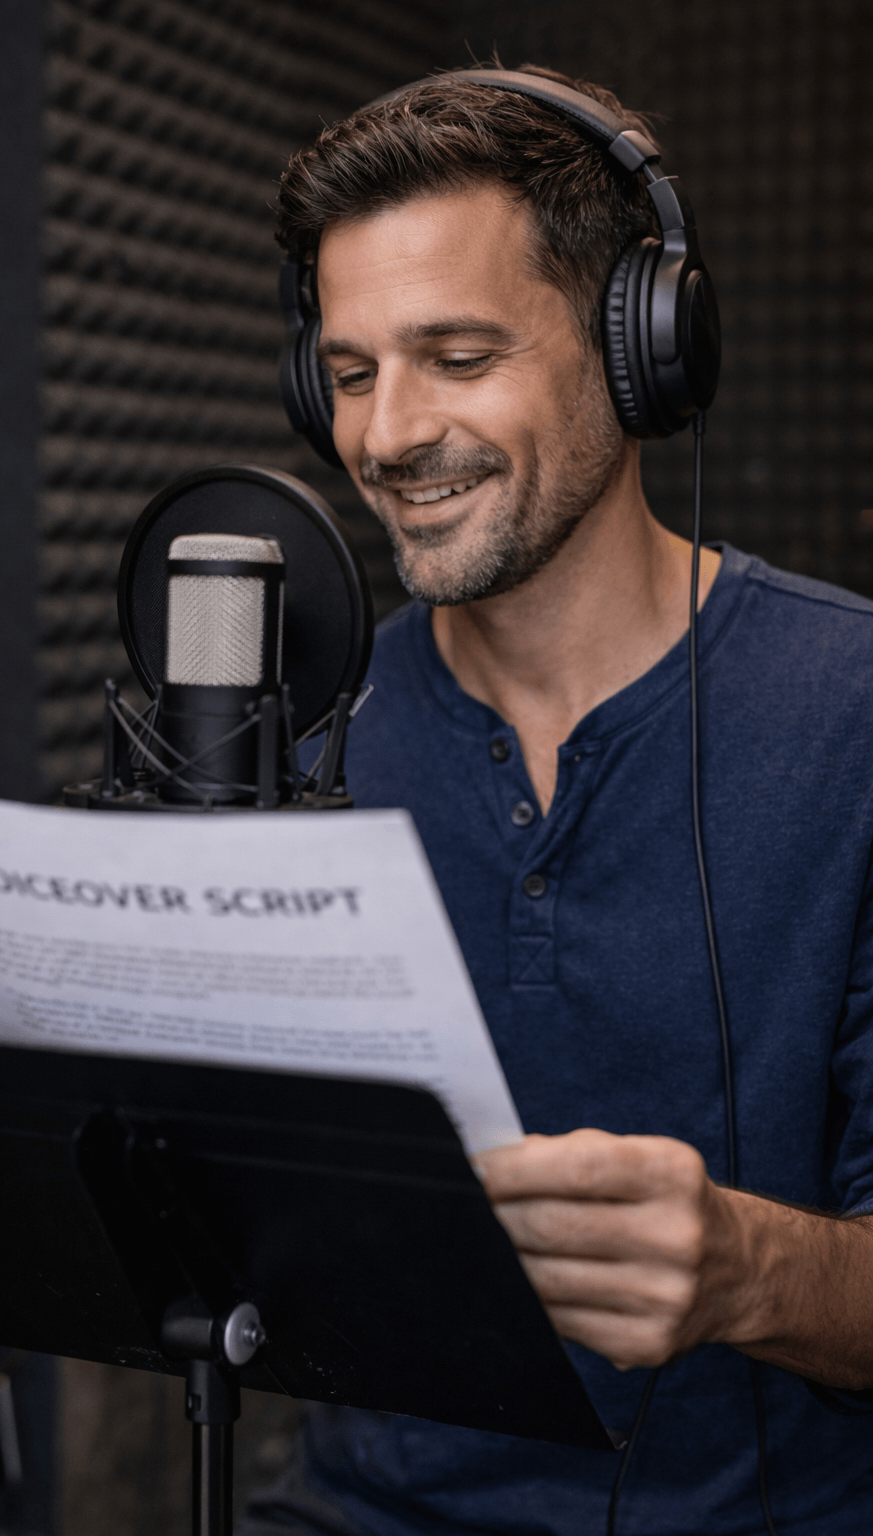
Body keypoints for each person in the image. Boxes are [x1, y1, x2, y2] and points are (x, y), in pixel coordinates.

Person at [240, 65, 873, 1534]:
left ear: (642, 348)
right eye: (348, 372)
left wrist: (748, 1269)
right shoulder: (305, 738)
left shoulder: (851, 717)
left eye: (458, 358)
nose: (387, 437)